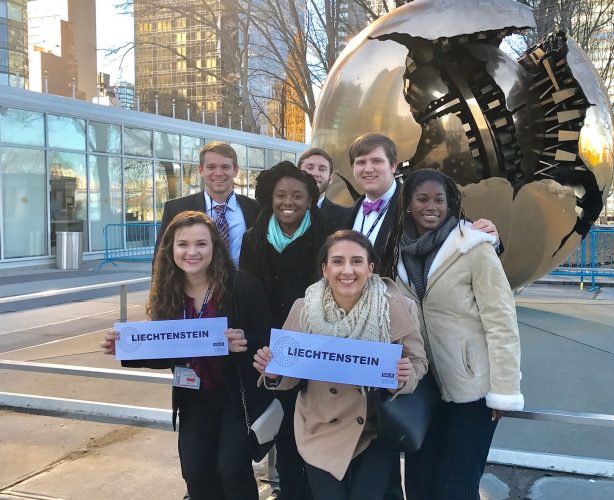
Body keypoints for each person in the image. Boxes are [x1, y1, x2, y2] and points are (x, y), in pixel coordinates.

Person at [101, 211, 274, 500]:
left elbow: (269, 337)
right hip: (193, 395)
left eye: (201, 244)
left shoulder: (242, 286)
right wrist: (128, 348)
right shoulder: (168, 293)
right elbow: (167, 352)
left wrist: (245, 341)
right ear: (171, 249)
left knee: (231, 469)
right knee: (195, 471)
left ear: (214, 248)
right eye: (183, 244)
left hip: (237, 394)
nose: (191, 252)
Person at [380, 169, 523, 500]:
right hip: (423, 386)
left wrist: (504, 388)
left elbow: (501, 320)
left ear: (451, 204)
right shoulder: (396, 251)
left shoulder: (474, 247)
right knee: (418, 483)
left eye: (439, 200)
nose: (431, 206)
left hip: (471, 389)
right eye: (422, 199)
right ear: (408, 204)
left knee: (455, 486)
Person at [253, 230, 428, 500]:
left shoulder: (395, 306)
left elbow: (418, 361)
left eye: (357, 261)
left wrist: (406, 375)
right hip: (320, 425)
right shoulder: (304, 308)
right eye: (338, 261)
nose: (347, 270)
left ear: (370, 268)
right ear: (325, 269)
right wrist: (273, 371)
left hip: (374, 428)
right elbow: (289, 374)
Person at [240, 161, 328, 500]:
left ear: (309, 200)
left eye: (296, 195)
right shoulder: (254, 238)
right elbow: (247, 293)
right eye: (280, 195)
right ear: (269, 197)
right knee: (287, 436)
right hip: (272, 352)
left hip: (315, 348)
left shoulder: (325, 235)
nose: (287, 202)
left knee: (318, 432)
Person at [345, 133, 501, 260]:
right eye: (361, 163)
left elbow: (460, 231)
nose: (368, 169)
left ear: (393, 166)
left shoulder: (418, 203)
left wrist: (490, 239)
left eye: (377, 161)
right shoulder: (352, 211)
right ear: (353, 168)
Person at [156, 141, 259, 267]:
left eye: (225, 167)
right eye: (211, 167)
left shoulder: (255, 209)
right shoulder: (176, 209)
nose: (218, 173)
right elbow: (160, 260)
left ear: (235, 171)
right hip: (194, 286)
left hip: (244, 285)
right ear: (201, 170)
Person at [298, 147, 350, 232]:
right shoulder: (277, 212)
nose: (315, 173)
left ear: (331, 178)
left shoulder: (346, 216)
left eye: (322, 169)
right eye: (310, 168)